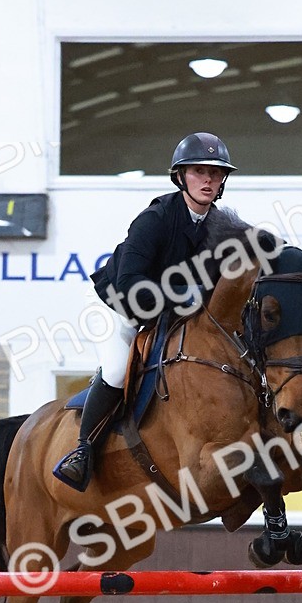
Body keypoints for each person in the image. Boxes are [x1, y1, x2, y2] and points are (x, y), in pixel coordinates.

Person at [53, 131, 237, 492]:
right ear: (180, 176)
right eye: (199, 171)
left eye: (216, 174)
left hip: (172, 315)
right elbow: (130, 286)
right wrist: (187, 294)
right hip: (122, 307)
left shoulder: (221, 227)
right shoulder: (154, 219)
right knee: (118, 370)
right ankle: (83, 450)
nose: (209, 180)